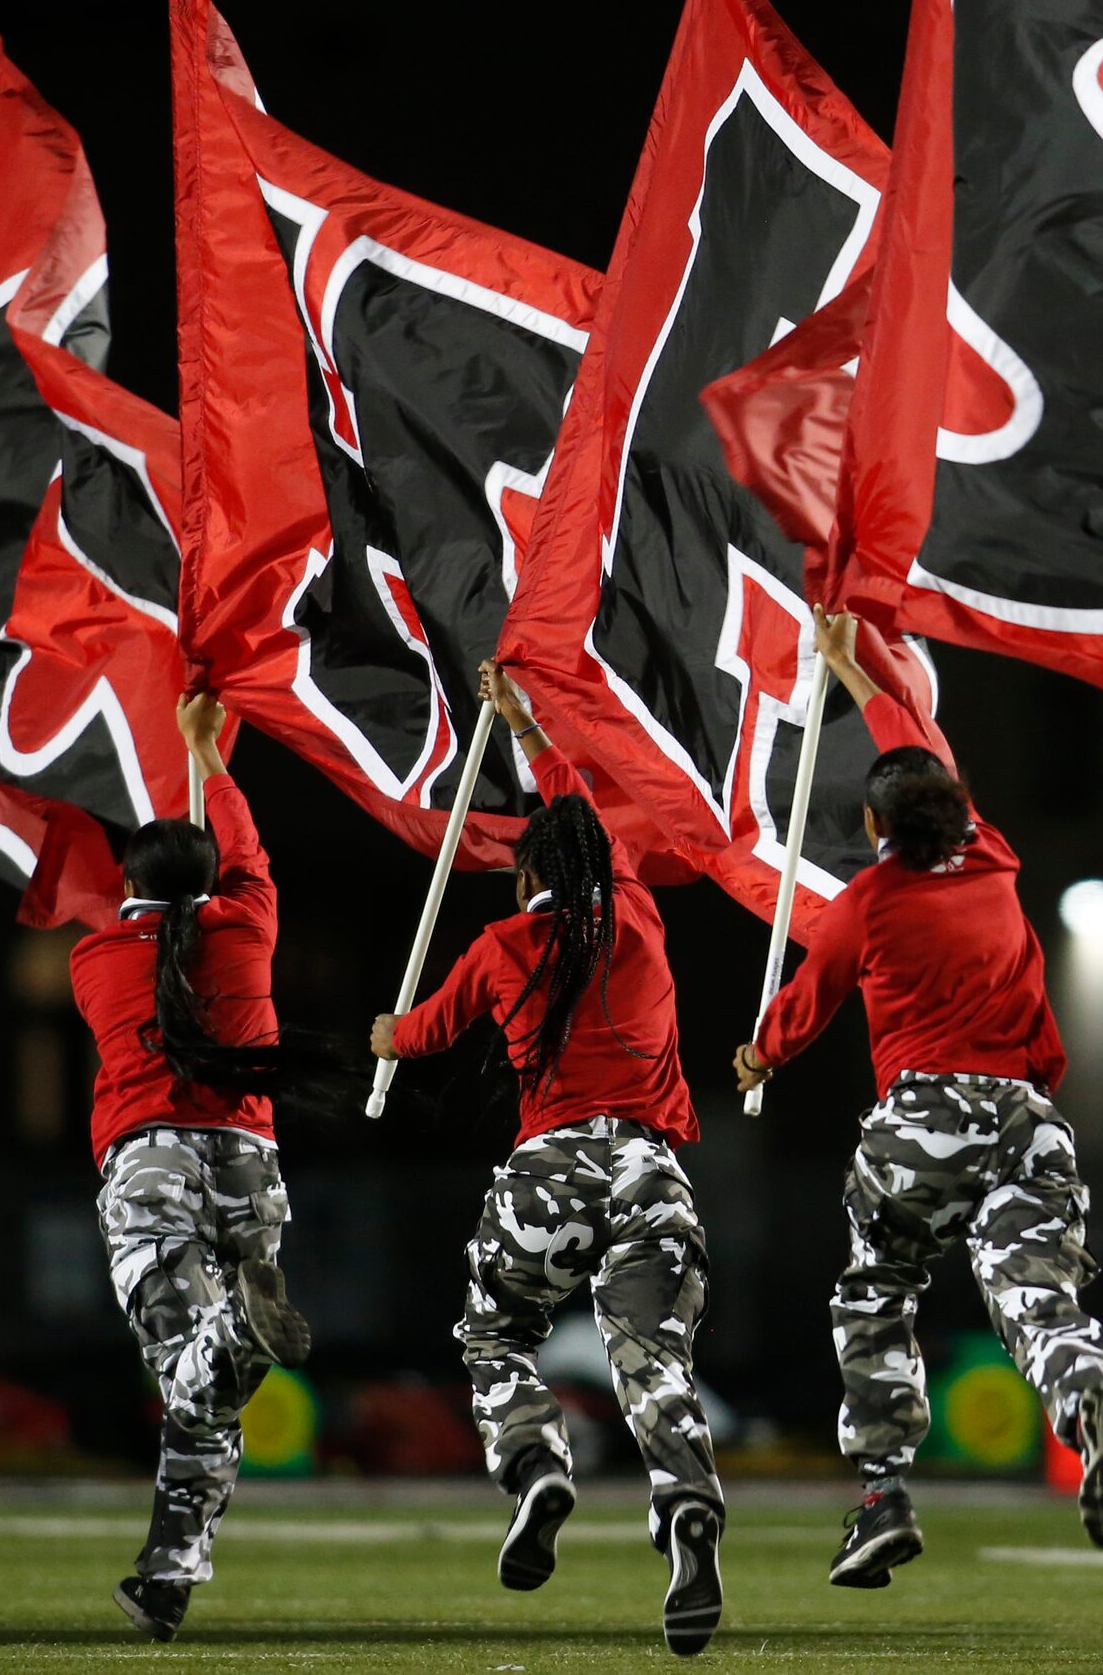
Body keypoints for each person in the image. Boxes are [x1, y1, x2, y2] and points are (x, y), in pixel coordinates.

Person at [734, 610, 1103, 1588]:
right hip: (1028, 1121)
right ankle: (1087, 1393)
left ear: (873, 829)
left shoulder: (869, 903)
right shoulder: (994, 855)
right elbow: (913, 741)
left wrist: (759, 1058)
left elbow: (810, 1002)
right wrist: (857, 667)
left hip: (924, 1119)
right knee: (1036, 1297)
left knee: (876, 1295)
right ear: (958, 815)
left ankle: (881, 1497)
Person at [372, 660, 724, 1659]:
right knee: (652, 1362)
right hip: (649, 1170)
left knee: (495, 1336)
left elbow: (426, 1036)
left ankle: (534, 1466)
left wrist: (384, 1036)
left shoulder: (496, 948)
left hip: (549, 1170)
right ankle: (685, 1501)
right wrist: (527, 724)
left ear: (527, 879)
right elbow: (578, 807)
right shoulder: (639, 919)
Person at [69, 692, 314, 1643]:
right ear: (213, 882)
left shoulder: (96, 960)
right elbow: (247, 854)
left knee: (189, 1371)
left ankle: (238, 1333)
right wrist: (207, 751)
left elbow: (153, 910)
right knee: (203, 1388)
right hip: (252, 1172)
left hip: (153, 1164)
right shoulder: (248, 925)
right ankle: (167, 1574)